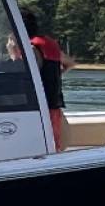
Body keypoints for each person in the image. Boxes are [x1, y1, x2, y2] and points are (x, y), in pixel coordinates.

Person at [9, 8, 75, 151]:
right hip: (54, 105)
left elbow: (25, 76)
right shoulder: (48, 44)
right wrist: (56, 75)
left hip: (39, 107)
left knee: (43, 149)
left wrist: (13, 53)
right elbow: (70, 63)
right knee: (54, 148)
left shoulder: (31, 48)